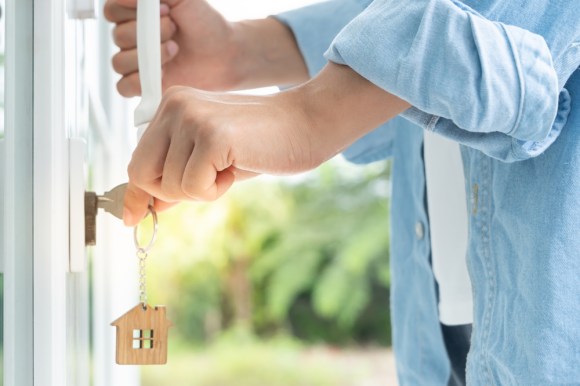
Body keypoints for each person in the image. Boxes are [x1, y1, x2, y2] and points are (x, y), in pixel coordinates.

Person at [104, 0, 580, 385]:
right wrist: (241, 51)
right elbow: (428, 15)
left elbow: (525, 55)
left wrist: (312, 113)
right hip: (445, 342)